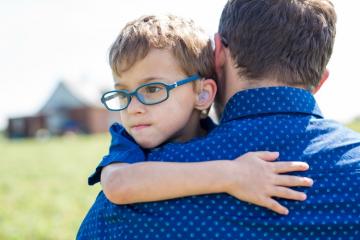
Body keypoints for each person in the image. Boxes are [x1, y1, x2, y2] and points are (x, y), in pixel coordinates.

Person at [81, 0, 360, 238]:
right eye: (123, 94)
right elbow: (119, 183)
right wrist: (231, 174)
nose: (134, 108)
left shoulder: (117, 212)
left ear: (218, 53)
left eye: (153, 89)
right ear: (320, 80)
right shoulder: (133, 159)